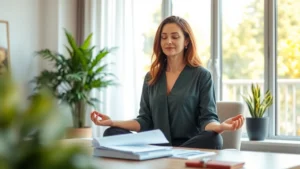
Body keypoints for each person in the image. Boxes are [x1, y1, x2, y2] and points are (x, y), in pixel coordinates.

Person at [90, 15, 244, 149]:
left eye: (175, 37)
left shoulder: (202, 76)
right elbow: (144, 120)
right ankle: (167, 155)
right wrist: (112, 122)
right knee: (111, 133)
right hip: (153, 144)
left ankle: (171, 155)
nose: (168, 41)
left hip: (189, 144)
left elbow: (207, 118)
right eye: (164, 37)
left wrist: (220, 126)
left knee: (214, 138)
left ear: (186, 41)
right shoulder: (151, 76)